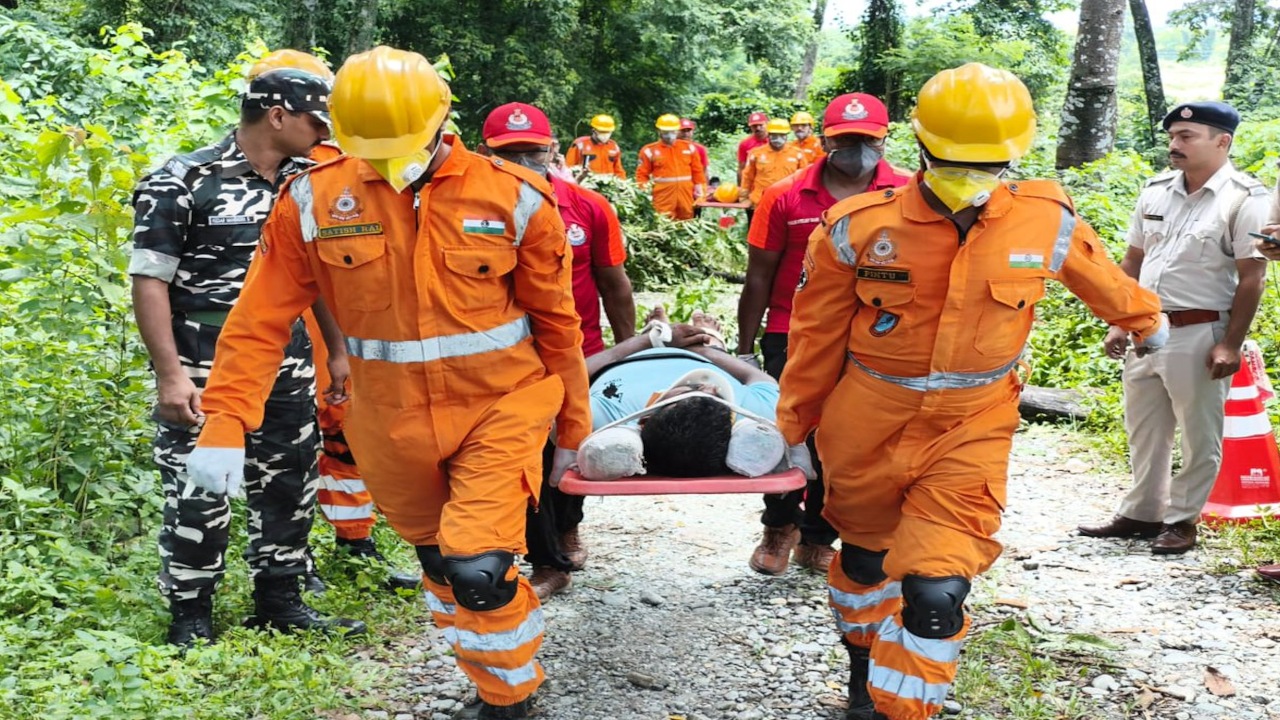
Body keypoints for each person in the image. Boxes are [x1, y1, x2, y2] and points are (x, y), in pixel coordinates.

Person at [184, 47, 591, 720]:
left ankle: (511, 702)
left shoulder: (514, 196)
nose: (387, 163)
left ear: (442, 120)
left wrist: (574, 428)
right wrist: (225, 423)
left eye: (399, 146)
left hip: (502, 404)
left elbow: (558, 325)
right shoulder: (312, 199)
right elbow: (258, 320)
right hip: (389, 417)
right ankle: (494, 677)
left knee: (477, 569)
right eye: (369, 149)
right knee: (439, 566)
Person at [777, 63, 1167, 720]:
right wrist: (792, 433)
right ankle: (862, 673)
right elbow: (812, 341)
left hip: (972, 425)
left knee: (935, 591)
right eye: (959, 159)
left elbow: (1105, 280)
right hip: (866, 422)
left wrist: (1146, 322)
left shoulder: (1045, 218)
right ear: (921, 147)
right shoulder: (856, 226)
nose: (972, 173)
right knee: (867, 567)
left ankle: (905, 711)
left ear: (1012, 155)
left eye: (988, 161)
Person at [130, 66, 364, 646]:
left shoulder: (310, 183)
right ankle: (191, 615)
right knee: (199, 489)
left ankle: (280, 601)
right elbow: (149, 281)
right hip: (203, 360)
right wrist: (170, 374)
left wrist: (337, 351)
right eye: (314, 121)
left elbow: (323, 277)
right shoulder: (184, 179)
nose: (321, 133)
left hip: (288, 359)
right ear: (277, 115)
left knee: (290, 481)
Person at [246, 49, 418, 595]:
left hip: (332, 315)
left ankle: (356, 542)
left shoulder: (344, 158)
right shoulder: (263, 160)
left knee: (343, 424)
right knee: (297, 439)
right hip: (277, 316)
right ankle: (296, 560)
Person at [1079, 101, 1269, 556]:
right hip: (1146, 330)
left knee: (1198, 432)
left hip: (1200, 331)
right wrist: (1119, 320)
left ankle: (1183, 520)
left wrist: (1230, 343)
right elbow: (1133, 260)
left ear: (1222, 141)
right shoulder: (1157, 190)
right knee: (1145, 427)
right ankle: (1142, 512)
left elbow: (1252, 276)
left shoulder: (1244, 198)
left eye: (1188, 137)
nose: (1174, 145)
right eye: (1173, 137)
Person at [737, 93, 910, 577]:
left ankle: (818, 535)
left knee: (850, 442)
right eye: (845, 139)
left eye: (866, 139)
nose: (855, 148)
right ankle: (778, 526)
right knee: (789, 433)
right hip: (792, 332)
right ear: (825, 139)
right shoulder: (786, 195)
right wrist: (747, 348)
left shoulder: (907, 191)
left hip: (877, 336)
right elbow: (759, 276)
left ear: (883, 139)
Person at [477, 102, 637, 600]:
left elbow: (614, 283)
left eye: (533, 151)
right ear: (485, 154)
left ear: (552, 149)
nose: (524, 161)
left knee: (570, 448)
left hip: (577, 352)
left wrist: (629, 349)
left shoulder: (588, 208)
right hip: (502, 358)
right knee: (525, 455)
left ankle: (567, 528)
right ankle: (546, 558)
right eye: (510, 153)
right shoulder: (469, 212)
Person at [636, 113, 707, 221]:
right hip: (662, 199)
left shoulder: (689, 148)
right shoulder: (649, 150)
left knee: (687, 225)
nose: (669, 135)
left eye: (673, 131)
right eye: (666, 132)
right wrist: (645, 195)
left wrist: (701, 192)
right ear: (659, 131)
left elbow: (697, 172)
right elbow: (641, 175)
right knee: (664, 227)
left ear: (677, 130)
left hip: (686, 197)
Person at [740, 118, 808, 224]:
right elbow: (748, 176)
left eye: (781, 135)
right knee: (757, 237)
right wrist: (744, 197)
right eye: (774, 135)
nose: (778, 139)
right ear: (769, 135)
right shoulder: (756, 154)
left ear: (786, 135)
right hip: (760, 202)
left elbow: (804, 178)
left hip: (787, 204)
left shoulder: (797, 154)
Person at [565, 114, 626, 179]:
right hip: (585, 184)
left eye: (608, 132)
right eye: (602, 132)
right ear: (594, 130)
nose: (605, 135)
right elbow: (569, 167)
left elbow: (618, 170)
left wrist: (622, 183)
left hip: (608, 184)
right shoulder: (580, 144)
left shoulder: (613, 147)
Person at [737, 111, 770, 185]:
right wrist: (741, 187)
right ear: (750, 127)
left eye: (761, 125)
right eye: (754, 126)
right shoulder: (745, 144)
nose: (758, 128)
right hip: (753, 184)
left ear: (767, 124)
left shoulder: (775, 141)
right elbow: (742, 168)